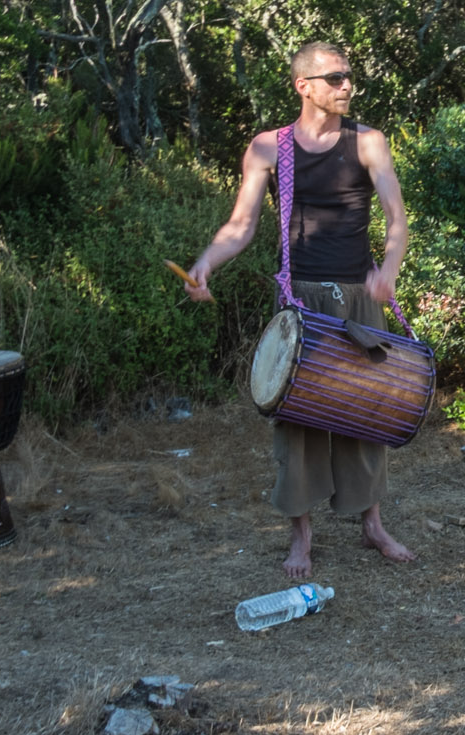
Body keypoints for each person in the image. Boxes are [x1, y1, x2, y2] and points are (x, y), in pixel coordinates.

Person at [182, 41, 416, 576]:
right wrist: (206, 263)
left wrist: (390, 270)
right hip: (298, 299)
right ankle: (301, 538)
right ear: (303, 86)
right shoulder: (269, 148)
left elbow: (396, 216)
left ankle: (372, 524)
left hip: (359, 294)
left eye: (349, 77)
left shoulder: (369, 141)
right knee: (298, 418)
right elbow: (241, 226)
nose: (346, 86)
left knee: (365, 411)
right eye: (334, 78)